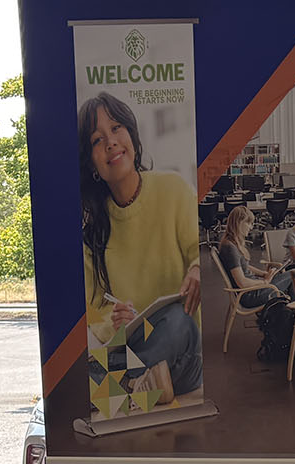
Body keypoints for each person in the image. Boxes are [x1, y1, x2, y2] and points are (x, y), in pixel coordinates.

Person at [79, 91, 202, 406]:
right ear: (91, 163)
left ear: (132, 135)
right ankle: (142, 385)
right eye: (97, 140)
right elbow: (95, 310)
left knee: (177, 321)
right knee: (75, 368)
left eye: (117, 128)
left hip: (181, 353)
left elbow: (197, 252)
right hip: (130, 346)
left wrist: (197, 270)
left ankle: (119, 386)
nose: (110, 142)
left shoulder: (173, 189)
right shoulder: (93, 231)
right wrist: (116, 321)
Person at [217, 206, 294, 313]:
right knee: (293, 275)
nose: (251, 227)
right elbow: (242, 283)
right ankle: (292, 317)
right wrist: (264, 282)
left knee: (288, 276)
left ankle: (288, 316)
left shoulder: (230, 243)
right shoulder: (230, 248)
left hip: (252, 291)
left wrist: (263, 274)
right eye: (248, 223)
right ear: (239, 223)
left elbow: (244, 267)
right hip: (250, 295)